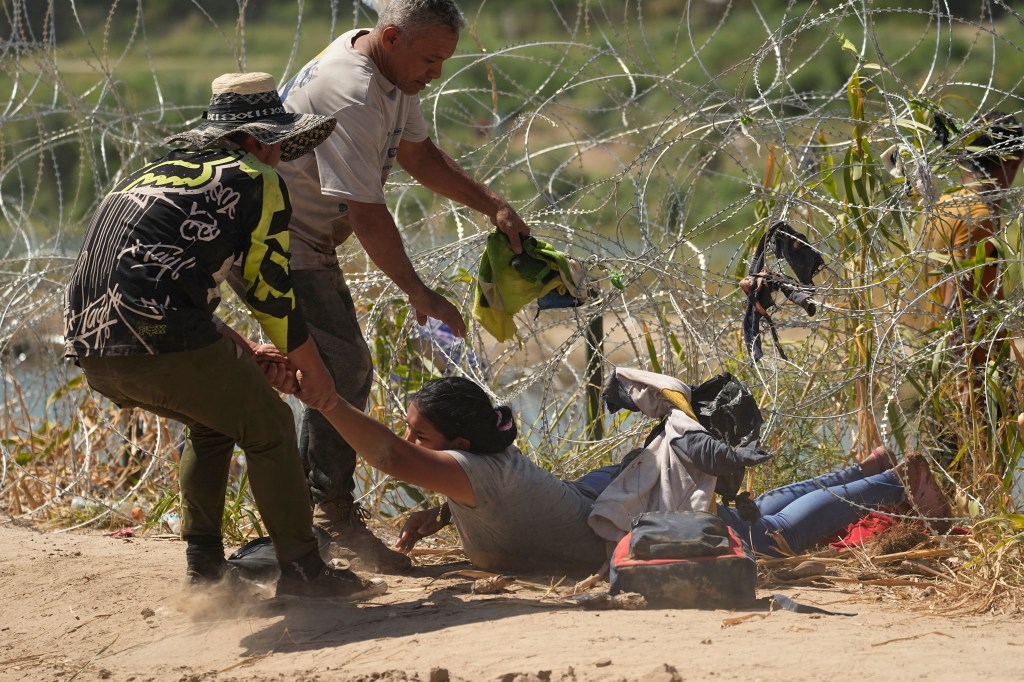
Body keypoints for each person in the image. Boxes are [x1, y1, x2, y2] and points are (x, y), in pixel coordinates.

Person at [63, 72, 384, 600]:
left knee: (213, 424)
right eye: (279, 143)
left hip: (94, 349)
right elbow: (271, 290)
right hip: (165, 341)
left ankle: (206, 572)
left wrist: (237, 344)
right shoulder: (256, 179)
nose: (281, 154)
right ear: (261, 140)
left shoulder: (152, 175)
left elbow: (143, 278)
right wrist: (317, 376)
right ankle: (305, 571)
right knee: (272, 427)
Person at [272, 0, 531, 572]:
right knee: (342, 369)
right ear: (391, 38)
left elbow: (417, 154)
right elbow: (366, 213)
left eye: (444, 60)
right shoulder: (354, 92)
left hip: (306, 240)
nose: (436, 72)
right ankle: (329, 520)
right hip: (280, 241)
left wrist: (494, 206)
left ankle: (309, 517)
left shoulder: (392, 75)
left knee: (329, 368)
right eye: (431, 58)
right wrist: (421, 294)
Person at [309, 376, 952, 577]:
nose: (411, 442)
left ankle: (897, 486)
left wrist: (327, 402)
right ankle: (864, 469)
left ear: (459, 443)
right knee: (747, 519)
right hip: (597, 510)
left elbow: (391, 457)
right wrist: (444, 514)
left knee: (761, 536)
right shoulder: (474, 471)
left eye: (421, 434)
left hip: (617, 535)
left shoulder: (477, 470)